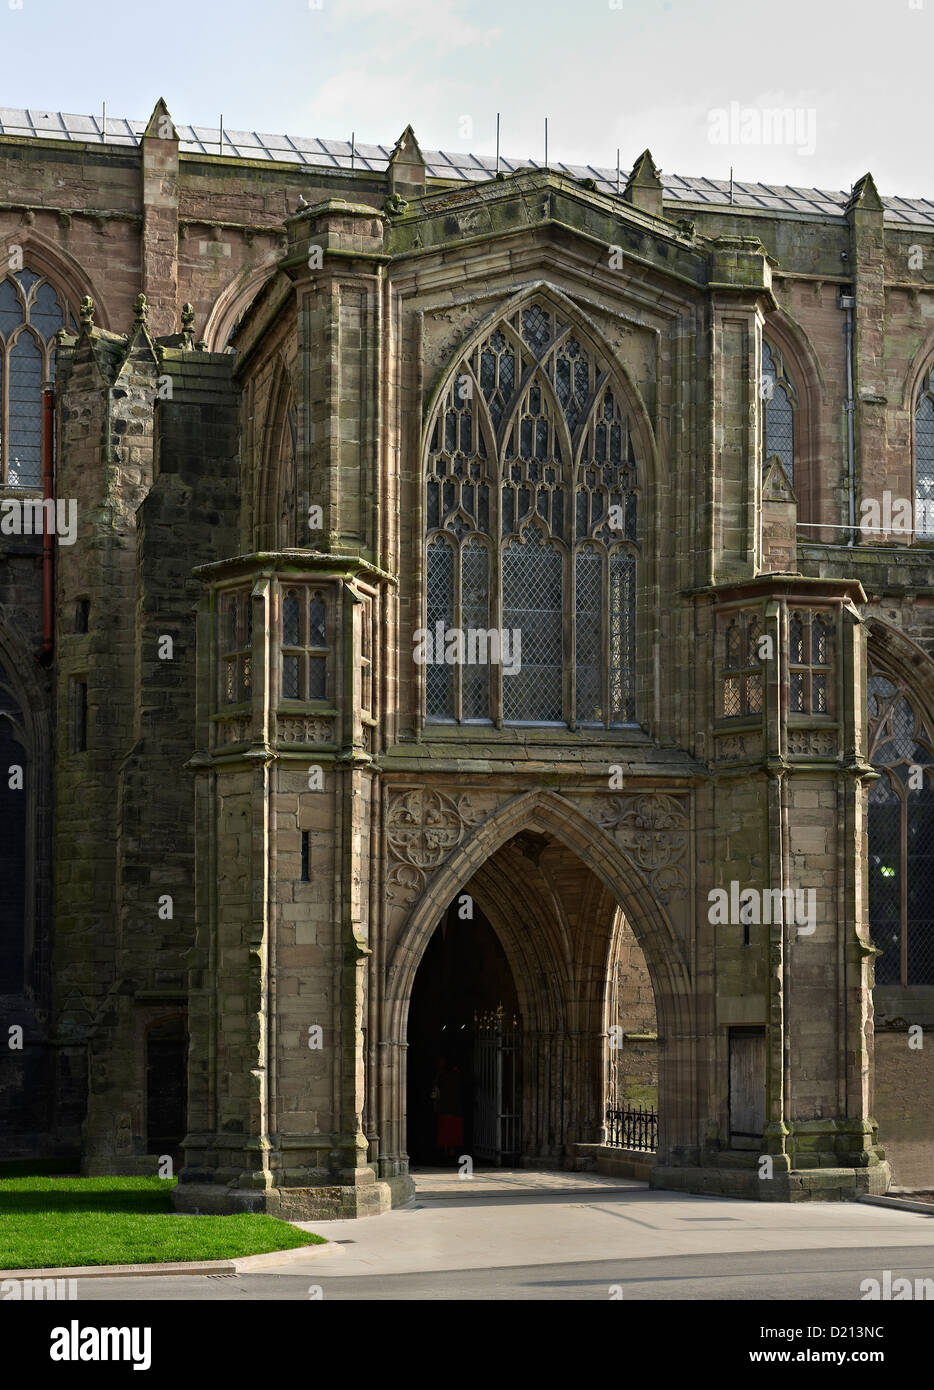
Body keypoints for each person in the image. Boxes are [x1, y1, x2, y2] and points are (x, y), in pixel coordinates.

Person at [432, 1056, 464, 1162]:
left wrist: (436, 1103)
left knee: (449, 1129)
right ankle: (449, 1150)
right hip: (451, 1108)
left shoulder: (442, 1075)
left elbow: (435, 1091)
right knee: (449, 1129)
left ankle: (449, 1150)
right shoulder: (455, 1075)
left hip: (448, 1107)